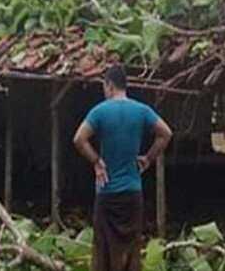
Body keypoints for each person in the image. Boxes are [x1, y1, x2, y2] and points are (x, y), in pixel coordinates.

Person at [73, 64, 173, 271]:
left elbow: (79, 139)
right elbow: (166, 134)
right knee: (131, 249)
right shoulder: (141, 110)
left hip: (107, 191)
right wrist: (148, 158)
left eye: (104, 86)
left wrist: (96, 162)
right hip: (132, 192)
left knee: (103, 250)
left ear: (109, 85)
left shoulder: (100, 111)